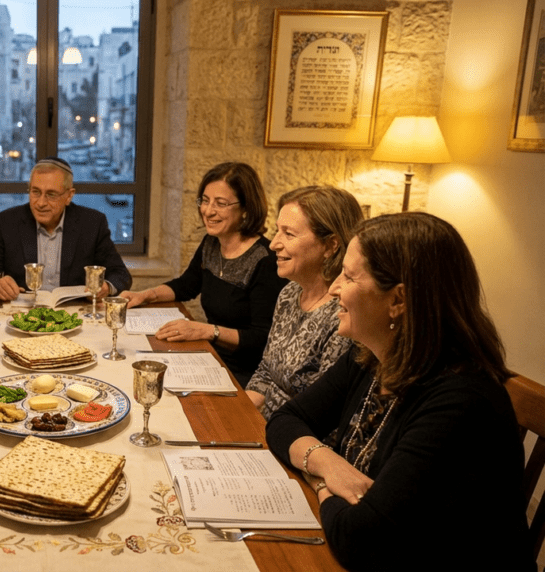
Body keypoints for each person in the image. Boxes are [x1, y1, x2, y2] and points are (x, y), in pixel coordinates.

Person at [267, 212, 534, 571]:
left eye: (348, 276)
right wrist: (327, 463)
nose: (334, 288)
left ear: (398, 300)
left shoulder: (460, 400)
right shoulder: (372, 357)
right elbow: (285, 420)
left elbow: (360, 540)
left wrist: (318, 482)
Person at [120, 162, 286, 383]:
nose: (208, 211)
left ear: (246, 208)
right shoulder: (212, 242)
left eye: (221, 203)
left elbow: (261, 337)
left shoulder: (265, 260)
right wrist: (145, 295)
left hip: (244, 372)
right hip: (210, 355)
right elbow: (187, 285)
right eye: (205, 201)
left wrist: (206, 331)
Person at [244, 186, 362, 418]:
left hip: (300, 438)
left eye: (289, 234)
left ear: (330, 245)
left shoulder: (344, 313)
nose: (273, 244)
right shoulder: (290, 293)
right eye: (278, 231)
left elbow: (321, 411)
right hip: (265, 424)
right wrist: (238, 411)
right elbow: (266, 371)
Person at [0, 157, 132, 300]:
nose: (40, 203)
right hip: (22, 316)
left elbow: (121, 275)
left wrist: (106, 287)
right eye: (35, 192)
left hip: (74, 317)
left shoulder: (92, 224)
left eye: (51, 194)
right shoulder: (6, 222)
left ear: (69, 196)